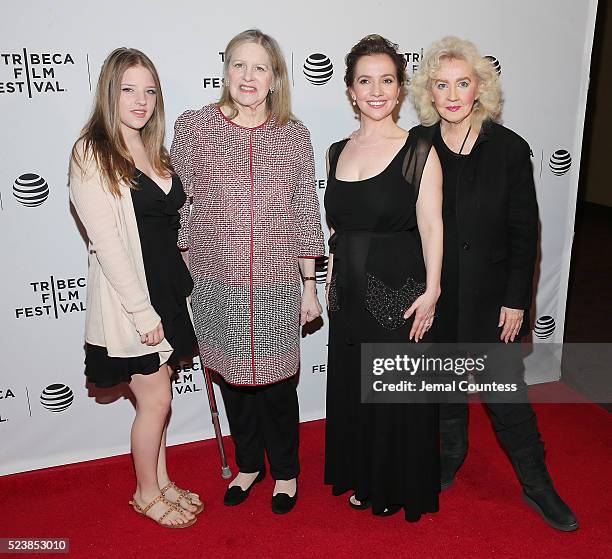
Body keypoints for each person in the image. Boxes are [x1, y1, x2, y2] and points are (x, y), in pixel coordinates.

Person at [411, 36, 578, 531]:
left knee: (506, 399)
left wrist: (515, 301)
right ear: (429, 93)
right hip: (438, 297)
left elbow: (525, 232)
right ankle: (451, 455)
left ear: (481, 87)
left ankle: (537, 485)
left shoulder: (509, 149)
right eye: (442, 85)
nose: (453, 93)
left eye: (463, 83)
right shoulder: (419, 146)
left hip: (490, 301)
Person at [170, 29, 324, 515]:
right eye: (239, 65)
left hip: (279, 285)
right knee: (234, 383)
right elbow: (177, 205)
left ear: (276, 77)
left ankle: (286, 471)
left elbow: (305, 212)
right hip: (218, 283)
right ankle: (248, 464)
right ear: (225, 71)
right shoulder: (195, 128)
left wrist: (310, 288)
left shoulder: (294, 135)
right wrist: (178, 269)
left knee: (278, 386)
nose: (248, 76)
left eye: (260, 67)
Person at [69, 48, 201, 528]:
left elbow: (165, 227)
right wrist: (144, 315)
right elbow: (108, 245)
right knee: (156, 402)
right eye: (128, 89)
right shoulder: (92, 152)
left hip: (166, 289)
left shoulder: (155, 149)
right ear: (110, 92)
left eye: (149, 90)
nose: (141, 100)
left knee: (158, 399)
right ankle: (146, 493)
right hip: (134, 300)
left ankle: (162, 482)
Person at [324, 34, 443, 522]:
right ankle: (364, 474)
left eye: (387, 80)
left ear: (399, 89)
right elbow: (337, 230)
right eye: (365, 80)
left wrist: (433, 291)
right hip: (347, 293)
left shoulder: (418, 148)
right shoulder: (336, 151)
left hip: (399, 290)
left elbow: (433, 226)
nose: (376, 90)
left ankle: (396, 482)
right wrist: (327, 286)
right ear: (351, 90)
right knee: (356, 387)